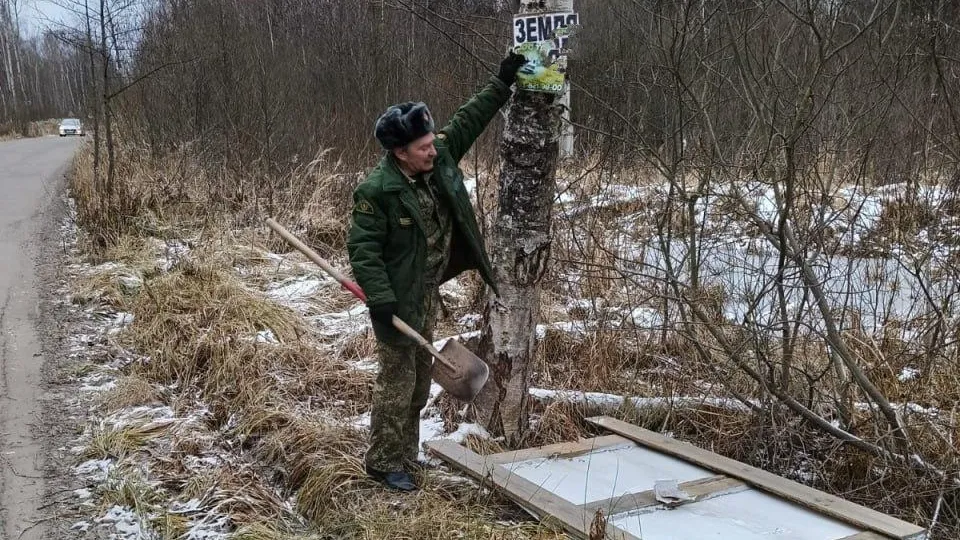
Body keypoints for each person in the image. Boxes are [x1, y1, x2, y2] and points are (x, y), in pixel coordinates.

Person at [347, 52, 527, 492]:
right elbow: (363, 250)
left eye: (431, 142)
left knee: (419, 385)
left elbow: (469, 119)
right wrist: (380, 298)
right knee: (397, 385)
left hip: (426, 293)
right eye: (423, 147)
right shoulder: (377, 191)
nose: (433, 149)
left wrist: (502, 82)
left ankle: (406, 456)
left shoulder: (438, 158)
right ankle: (382, 462)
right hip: (395, 300)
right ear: (400, 153)